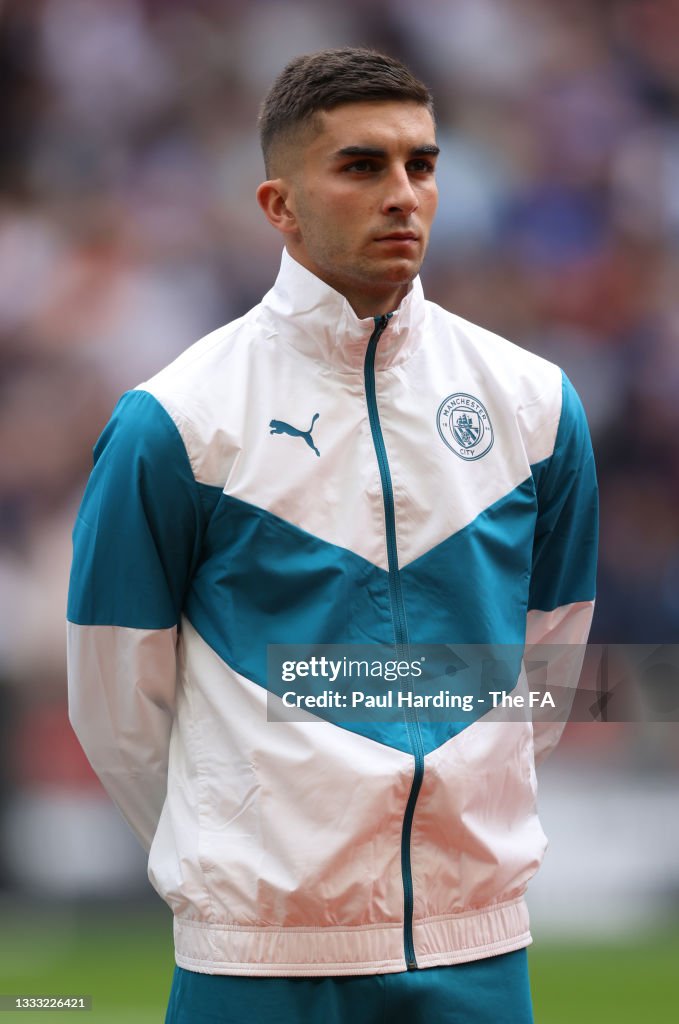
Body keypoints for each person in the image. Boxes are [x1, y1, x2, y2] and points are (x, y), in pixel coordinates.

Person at [67, 48, 598, 1024]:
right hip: (255, 960)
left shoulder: (535, 408)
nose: (403, 195)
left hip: (476, 950)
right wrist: (245, 860)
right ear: (278, 204)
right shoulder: (175, 421)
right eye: (362, 166)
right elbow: (114, 703)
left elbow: (549, 671)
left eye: (421, 165)